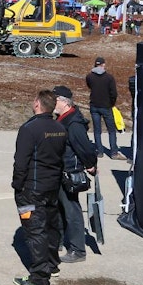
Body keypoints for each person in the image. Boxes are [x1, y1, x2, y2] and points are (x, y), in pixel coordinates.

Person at [11, 89, 66, 285]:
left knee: (35, 231)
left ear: (37, 104)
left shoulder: (29, 128)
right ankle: (51, 265)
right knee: (51, 227)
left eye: (34, 100)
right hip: (52, 186)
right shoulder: (59, 127)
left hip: (32, 188)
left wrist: (17, 185)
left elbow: (21, 161)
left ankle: (40, 278)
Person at [52, 85, 98, 264]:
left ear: (64, 102)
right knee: (59, 209)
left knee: (72, 210)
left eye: (55, 99)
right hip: (60, 171)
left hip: (69, 173)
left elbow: (84, 147)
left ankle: (78, 250)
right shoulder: (63, 118)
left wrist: (91, 165)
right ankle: (58, 242)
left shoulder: (73, 122)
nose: (52, 103)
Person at [86, 56, 123, 159]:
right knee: (111, 130)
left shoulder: (89, 76)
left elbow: (90, 86)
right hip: (106, 106)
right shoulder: (109, 78)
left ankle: (99, 152)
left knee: (97, 130)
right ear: (103, 65)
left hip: (94, 105)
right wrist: (112, 103)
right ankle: (114, 153)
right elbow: (114, 93)